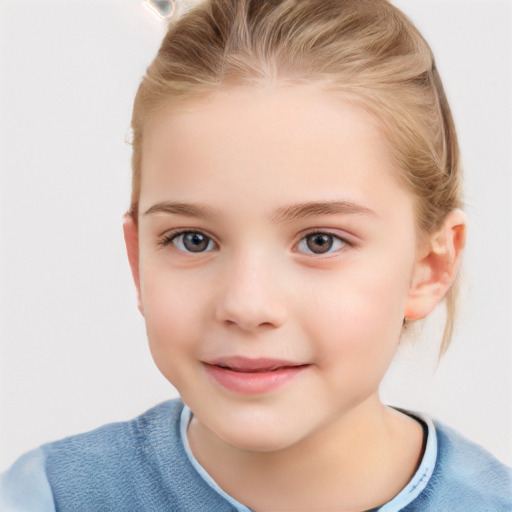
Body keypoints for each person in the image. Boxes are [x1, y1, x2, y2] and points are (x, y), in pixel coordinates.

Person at [1, 0, 511, 510]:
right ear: (138, 261)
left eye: (320, 241)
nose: (247, 306)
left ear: (430, 266)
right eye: (193, 240)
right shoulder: (50, 497)